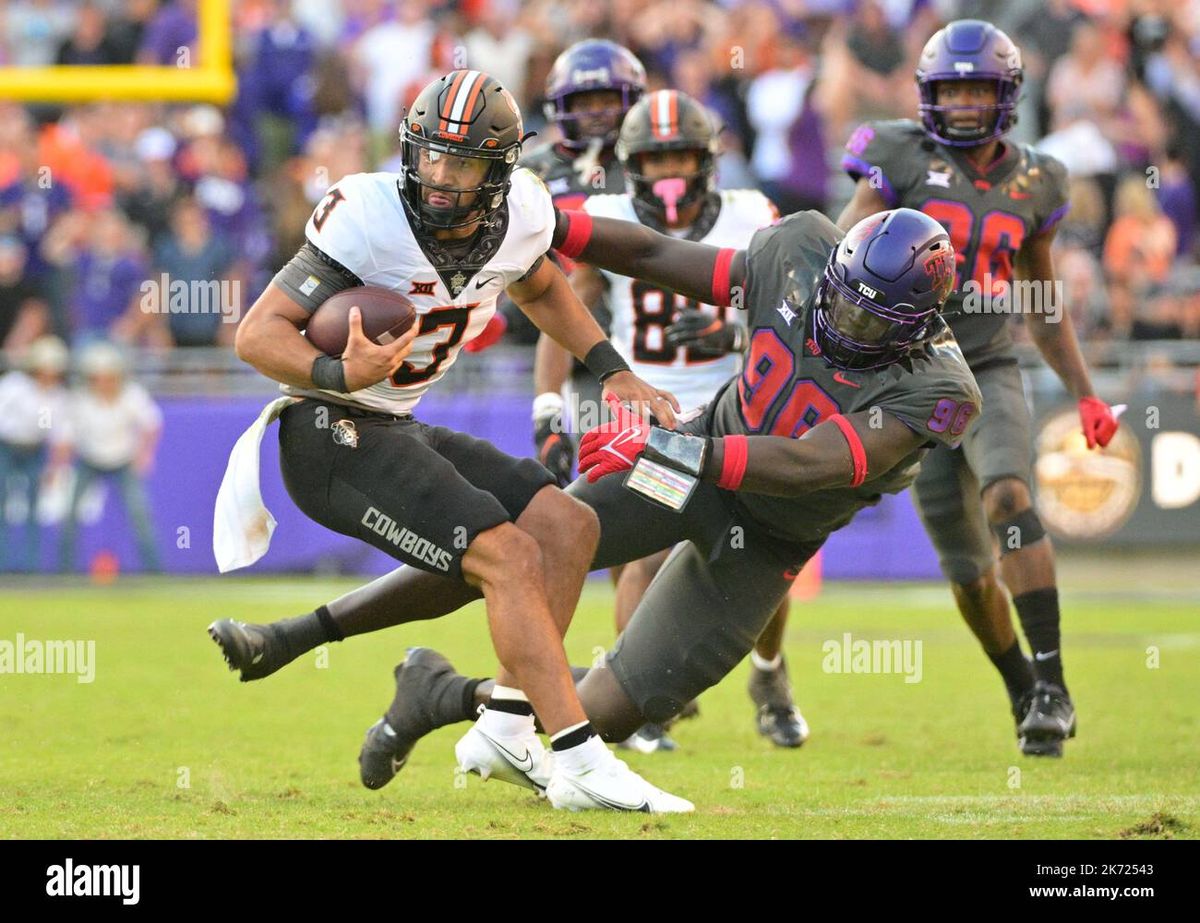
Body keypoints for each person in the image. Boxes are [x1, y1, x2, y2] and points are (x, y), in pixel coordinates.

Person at [212, 206, 982, 809]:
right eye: (844, 305)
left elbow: (816, 463)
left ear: (919, 326)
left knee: (611, 712)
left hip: (767, 535)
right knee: (513, 545)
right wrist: (549, 222)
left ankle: (440, 693)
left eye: (873, 324)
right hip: (695, 469)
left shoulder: (943, 390)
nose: (846, 327)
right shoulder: (802, 248)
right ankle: (301, 633)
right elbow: (652, 256)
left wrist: (678, 450)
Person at [208, 70, 690, 814]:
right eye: (429, 156)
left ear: (498, 171)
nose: (438, 177)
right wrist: (337, 366)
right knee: (506, 553)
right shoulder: (367, 215)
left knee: (567, 525)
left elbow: (540, 287)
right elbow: (256, 334)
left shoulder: (522, 213)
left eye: (460, 163)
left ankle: (501, 722)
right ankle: (580, 755)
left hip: (393, 423)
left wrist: (611, 369)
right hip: (327, 431)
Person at [837, 19, 1121, 756]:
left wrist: (1086, 393)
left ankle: (1055, 683)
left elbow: (1043, 305)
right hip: (910, 376)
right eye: (952, 88)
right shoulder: (896, 155)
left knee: (1008, 493)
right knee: (967, 574)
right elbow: (845, 250)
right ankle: (1024, 688)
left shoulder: (1037, 180)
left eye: (978, 88)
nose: (964, 103)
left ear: (1007, 95)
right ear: (929, 94)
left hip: (988, 364)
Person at [546, 88, 804, 753]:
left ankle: (770, 675)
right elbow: (560, 311)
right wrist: (551, 403)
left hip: (739, 410)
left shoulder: (749, 217)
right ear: (631, 163)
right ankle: (643, 702)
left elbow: (791, 315)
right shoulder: (607, 219)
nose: (668, 175)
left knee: (770, 549)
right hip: (653, 411)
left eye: (681, 158)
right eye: (655, 159)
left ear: (707, 160)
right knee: (647, 546)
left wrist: (732, 331)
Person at [54, 341, 162, 574]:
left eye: (109, 376)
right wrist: (59, 468)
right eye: (98, 377)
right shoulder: (79, 400)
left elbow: (152, 423)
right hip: (89, 461)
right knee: (70, 513)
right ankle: (63, 573)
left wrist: (145, 454)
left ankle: (156, 573)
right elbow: (65, 437)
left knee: (140, 514)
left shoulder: (132, 395)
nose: (104, 382)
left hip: (122, 460)